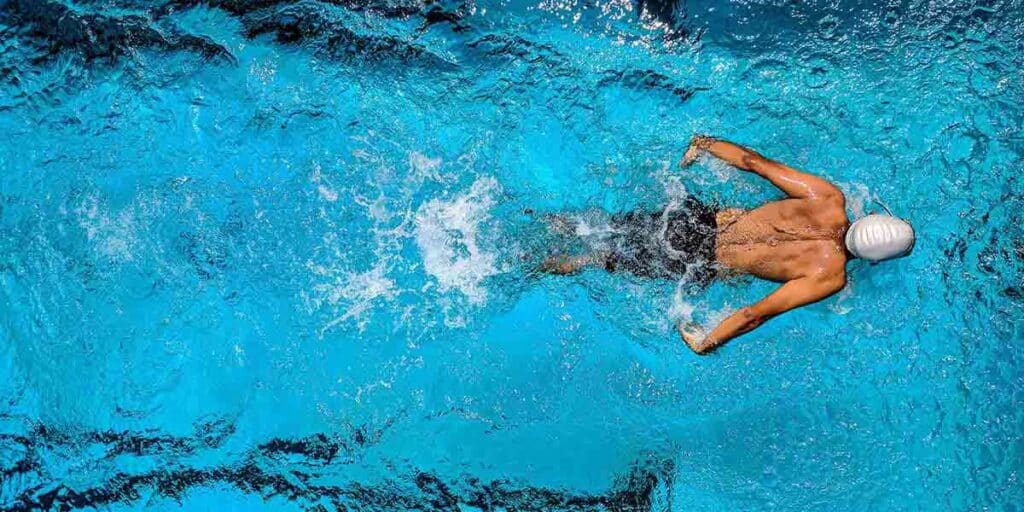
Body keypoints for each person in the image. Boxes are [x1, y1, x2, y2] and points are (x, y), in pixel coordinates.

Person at [540, 135, 915, 354]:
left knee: (596, 226)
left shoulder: (828, 199)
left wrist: (705, 144)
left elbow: (755, 163)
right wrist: (708, 342)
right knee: (597, 259)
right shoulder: (829, 276)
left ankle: (539, 221)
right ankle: (532, 265)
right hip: (698, 262)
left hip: (694, 219)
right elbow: (756, 313)